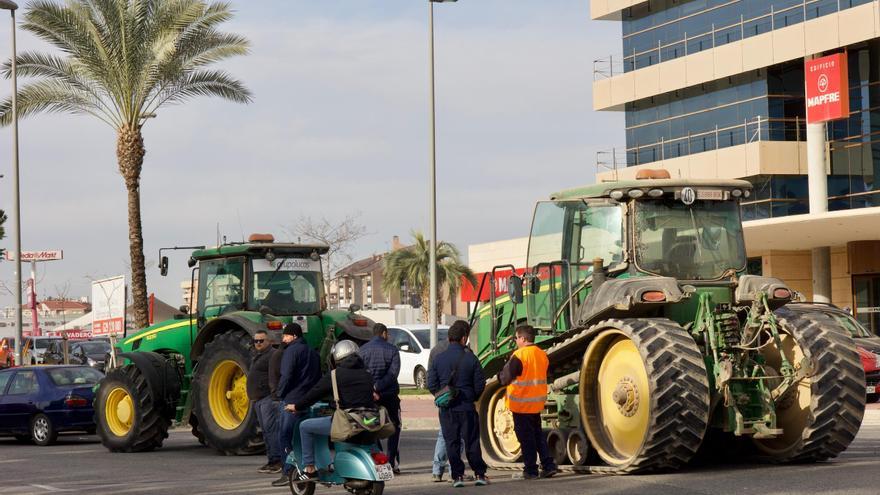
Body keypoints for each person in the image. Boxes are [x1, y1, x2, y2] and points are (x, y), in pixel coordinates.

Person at [287, 340, 378, 481]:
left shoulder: (335, 375)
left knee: (304, 426)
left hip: (347, 422)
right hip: (368, 421)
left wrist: (297, 406)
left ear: (337, 358)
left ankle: (310, 468)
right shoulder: (367, 374)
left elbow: (315, 393)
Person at [427, 320, 489, 488]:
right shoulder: (471, 358)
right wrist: (472, 396)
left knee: (451, 442)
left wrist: (442, 396)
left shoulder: (438, 359)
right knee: (472, 442)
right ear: (464, 338)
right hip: (467, 407)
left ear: (449, 338)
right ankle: (480, 474)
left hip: (447, 409)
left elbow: (431, 383)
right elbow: (480, 383)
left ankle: (457, 477)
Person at [498, 325, 558, 480]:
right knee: (538, 436)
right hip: (536, 405)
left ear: (523, 339)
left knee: (526, 438)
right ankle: (548, 465)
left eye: (516, 338)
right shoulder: (542, 355)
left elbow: (505, 378)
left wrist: (499, 375)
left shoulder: (519, 355)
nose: (516, 341)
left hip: (521, 405)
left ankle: (531, 470)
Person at [272, 323, 321, 487]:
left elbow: (286, 375)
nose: (283, 339)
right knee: (304, 436)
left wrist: (279, 394)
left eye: (285, 336)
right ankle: (307, 468)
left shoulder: (291, 351)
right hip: (309, 400)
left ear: (293, 336)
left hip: (292, 400)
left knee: (285, 436)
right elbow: (318, 377)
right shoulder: (313, 352)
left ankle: (287, 471)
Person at [359, 323, 402, 473]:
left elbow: (361, 374)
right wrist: (379, 387)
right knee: (394, 427)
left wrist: (372, 389)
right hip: (389, 395)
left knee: (372, 427)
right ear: (384, 333)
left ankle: (378, 460)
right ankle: (391, 462)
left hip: (371, 398)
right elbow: (393, 374)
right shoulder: (392, 350)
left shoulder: (362, 350)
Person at [247, 330, 281, 474]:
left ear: (269, 341)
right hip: (258, 400)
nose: (258, 343)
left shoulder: (273, 355)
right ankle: (271, 460)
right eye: (256, 341)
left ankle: (277, 461)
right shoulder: (259, 355)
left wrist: (273, 395)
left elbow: (277, 375)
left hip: (267, 398)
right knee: (266, 432)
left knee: (271, 431)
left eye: (261, 340)